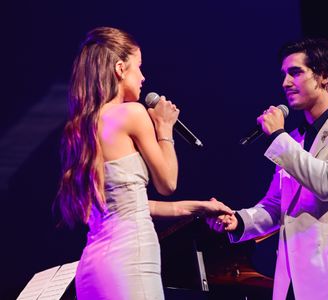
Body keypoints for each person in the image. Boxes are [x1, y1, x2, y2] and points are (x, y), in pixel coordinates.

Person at [208, 38, 328, 300]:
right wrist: (239, 220)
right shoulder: (295, 139)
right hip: (298, 281)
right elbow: (277, 205)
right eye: (284, 75)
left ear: (324, 76)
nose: (285, 83)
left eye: (295, 72)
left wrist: (277, 136)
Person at [55, 26, 233, 300]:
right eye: (138, 67)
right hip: (130, 258)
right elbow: (167, 183)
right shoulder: (132, 113)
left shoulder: (80, 128)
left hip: (93, 268)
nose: (143, 77)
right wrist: (164, 128)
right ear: (120, 68)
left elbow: (129, 203)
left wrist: (197, 208)